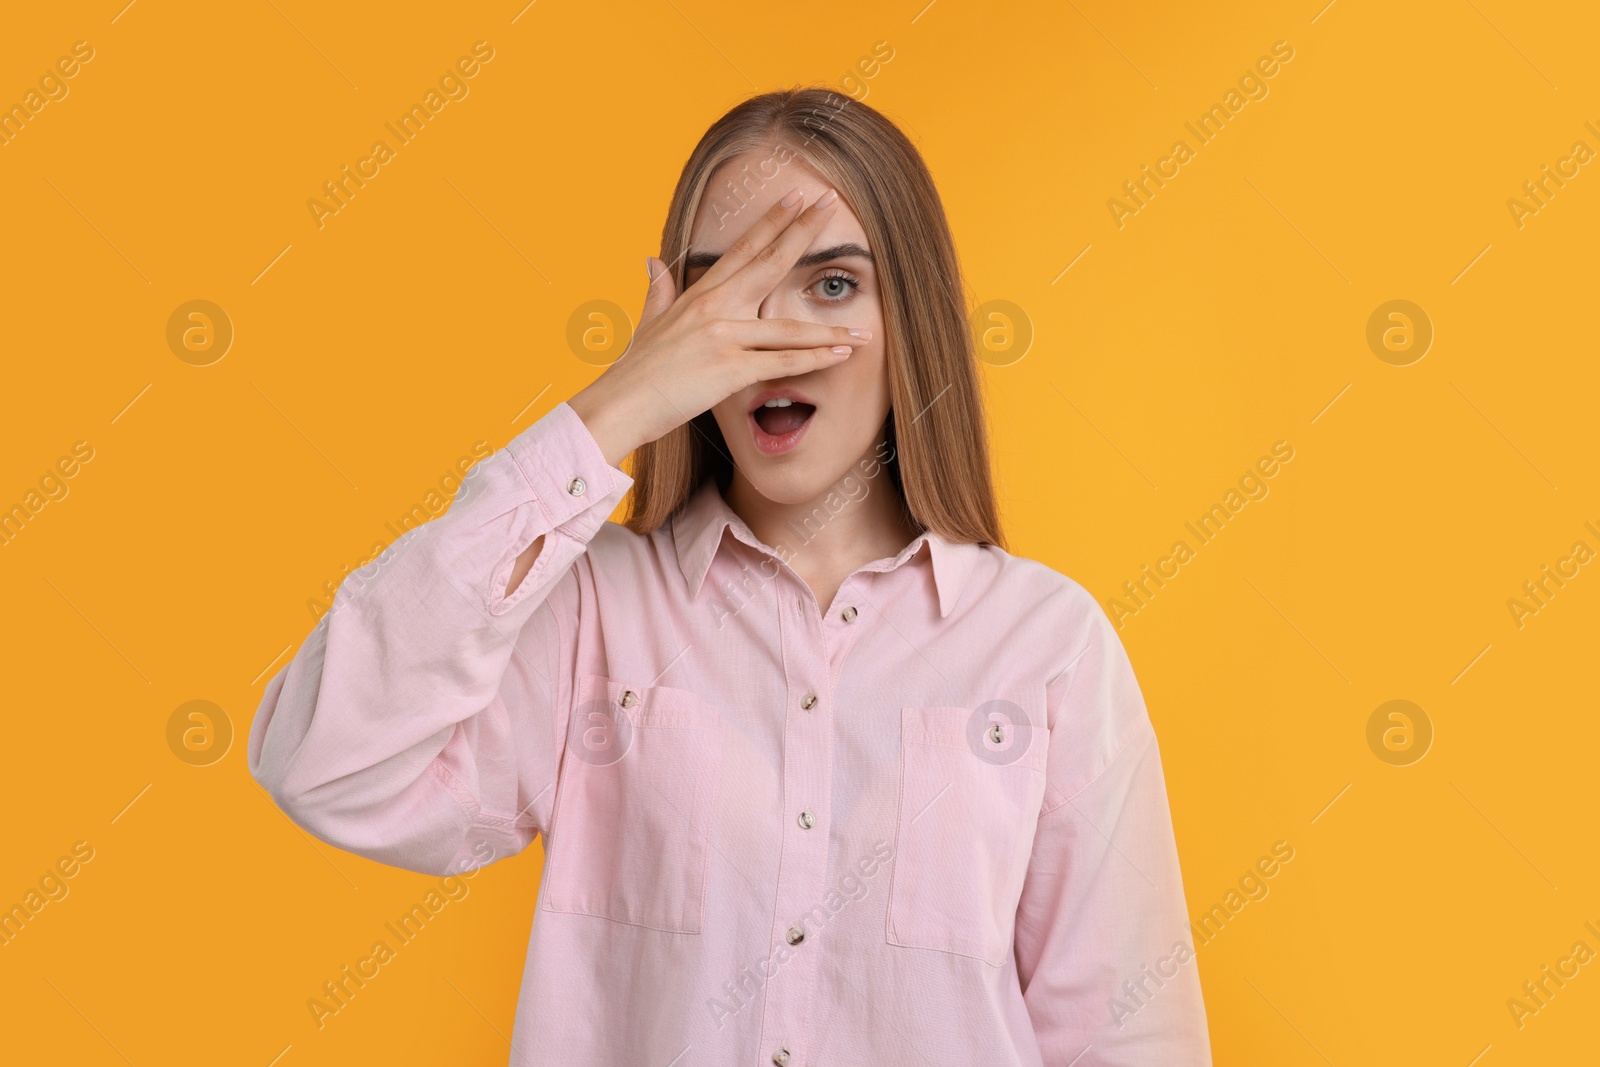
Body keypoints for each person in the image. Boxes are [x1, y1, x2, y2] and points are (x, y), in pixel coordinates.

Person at [249, 86, 1211, 1065]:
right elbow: (324, 760)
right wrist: (613, 407)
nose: (768, 337)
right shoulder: (590, 608)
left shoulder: (1045, 641)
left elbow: (1124, 1032)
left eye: (830, 284)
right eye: (719, 293)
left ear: (909, 317)